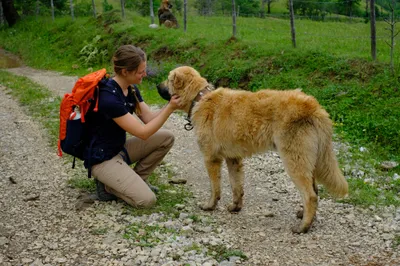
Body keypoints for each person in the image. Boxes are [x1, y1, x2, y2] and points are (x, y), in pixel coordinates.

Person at [84, 44, 181, 208]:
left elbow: (149, 119)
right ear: (125, 72)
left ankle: (137, 180)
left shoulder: (131, 89)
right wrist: (170, 108)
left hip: (118, 149)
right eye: (140, 71)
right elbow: (143, 133)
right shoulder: (108, 98)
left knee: (166, 138)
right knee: (146, 201)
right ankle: (108, 187)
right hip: (102, 159)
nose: (145, 74)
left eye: (144, 69)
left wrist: (171, 105)